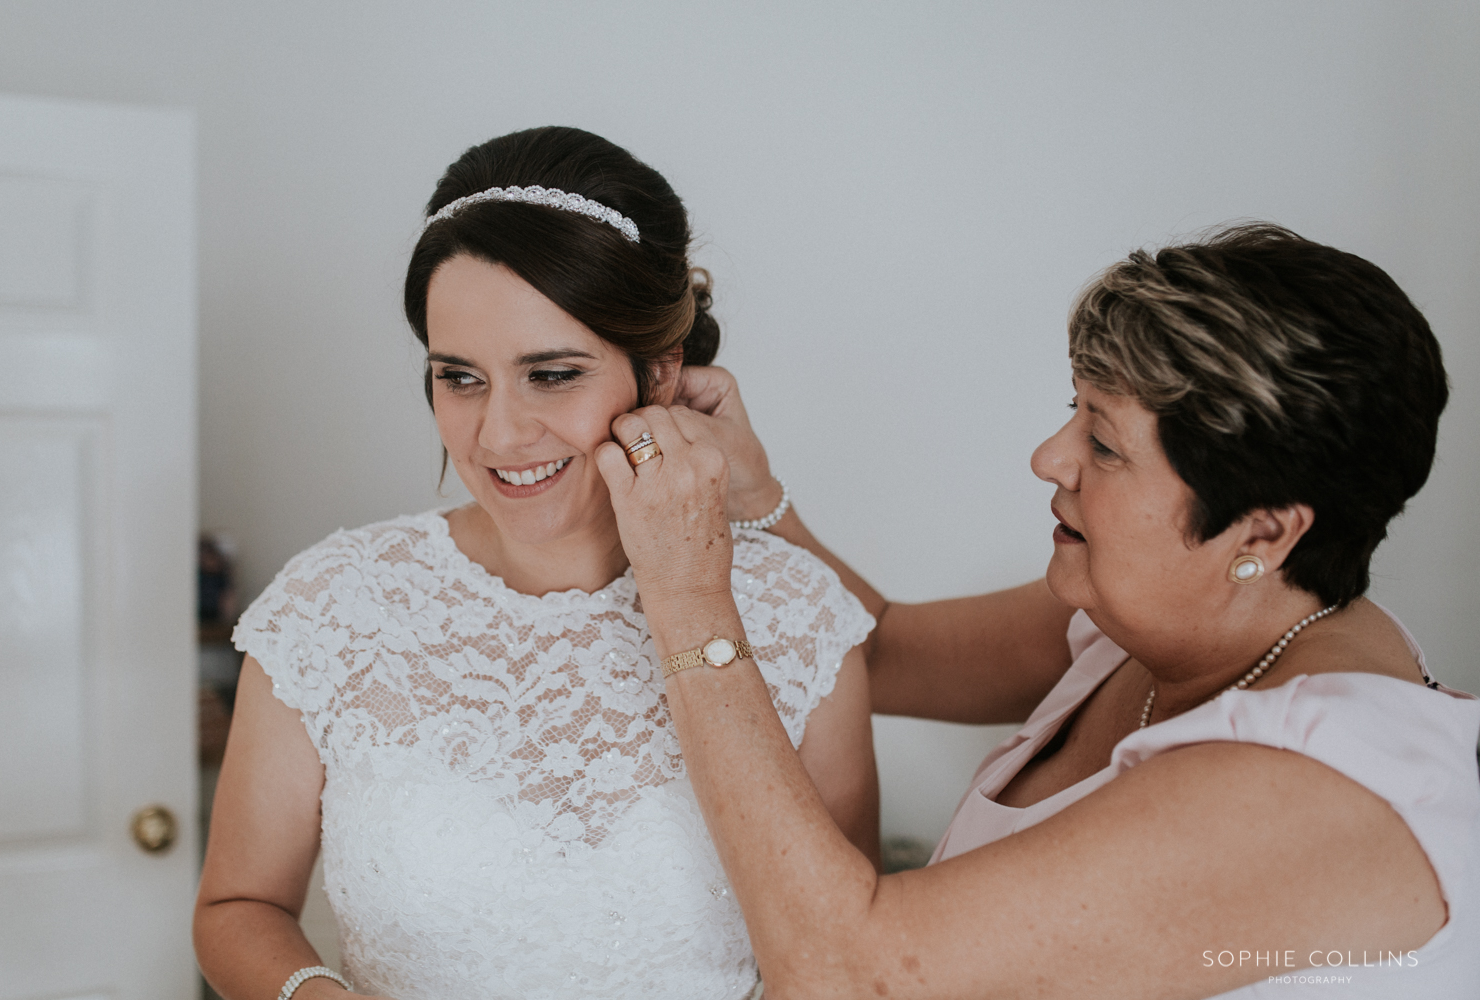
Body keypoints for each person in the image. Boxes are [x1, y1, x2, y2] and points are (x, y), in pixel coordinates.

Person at [599, 224, 1480, 998]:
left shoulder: (1308, 793)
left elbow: (843, 973)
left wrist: (686, 593)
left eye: (1103, 441)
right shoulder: (1155, 624)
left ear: (1264, 529)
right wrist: (755, 497)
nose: (1048, 457)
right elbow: (885, 648)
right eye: (1074, 410)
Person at [193, 126, 880, 1000]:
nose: (498, 435)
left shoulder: (800, 619)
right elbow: (236, 905)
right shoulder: (332, 606)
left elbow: (834, 966)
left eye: (551, 374)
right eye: (460, 377)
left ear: (660, 373)